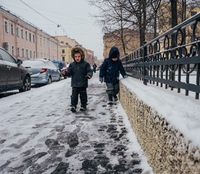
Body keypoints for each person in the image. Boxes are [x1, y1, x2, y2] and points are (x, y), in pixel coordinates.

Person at [67, 47, 93, 112]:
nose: (77, 58)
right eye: (75, 57)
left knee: (83, 96)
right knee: (74, 96)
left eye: (79, 56)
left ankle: (83, 106)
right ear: (73, 57)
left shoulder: (85, 64)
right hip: (75, 84)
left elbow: (89, 71)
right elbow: (69, 72)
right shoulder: (72, 65)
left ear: (81, 56)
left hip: (83, 83)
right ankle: (73, 106)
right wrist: (66, 73)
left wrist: (89, 75)